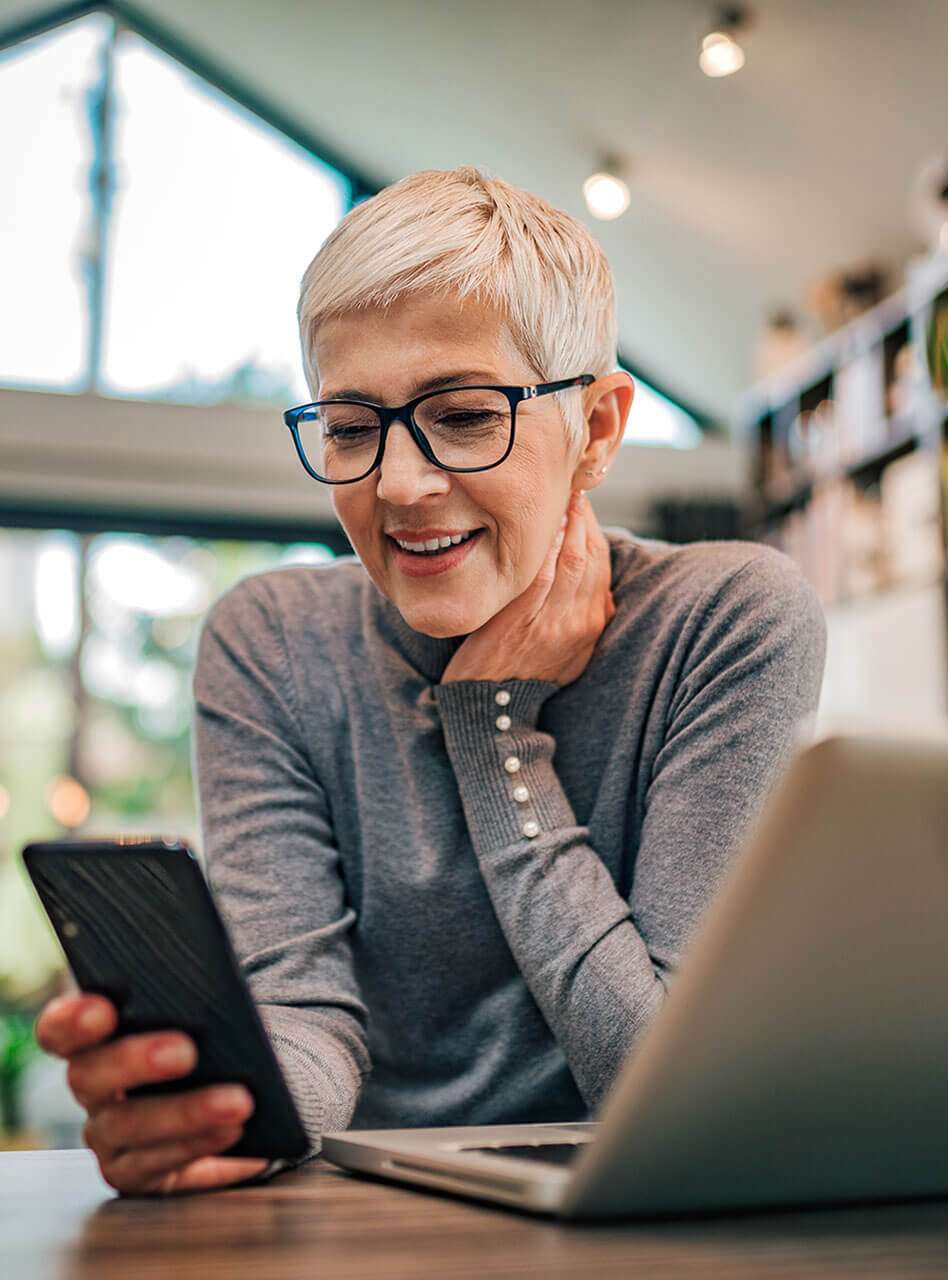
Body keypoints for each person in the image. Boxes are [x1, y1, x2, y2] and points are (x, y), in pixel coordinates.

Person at [35, 167, 827, 1195]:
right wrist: (224, 1104)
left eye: (462, 415)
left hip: (640, 1222)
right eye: (352, 428)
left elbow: (659, 1083)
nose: (399, 485)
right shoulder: (272, 642)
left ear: (595, 429)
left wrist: (491, 728)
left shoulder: (726, 621)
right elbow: (307, 1016)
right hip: (366, 1223)